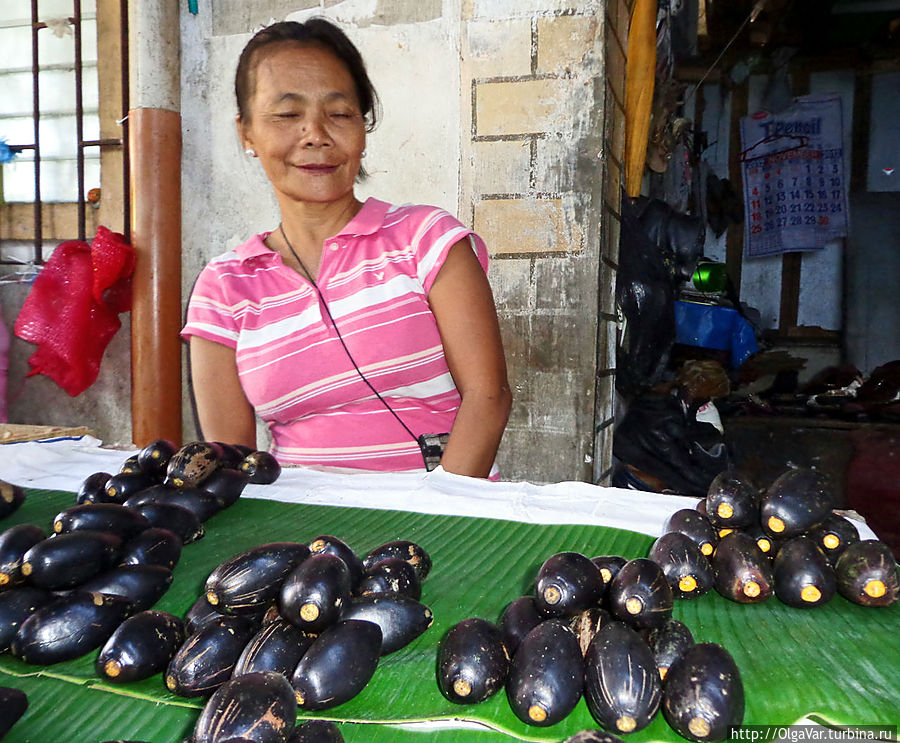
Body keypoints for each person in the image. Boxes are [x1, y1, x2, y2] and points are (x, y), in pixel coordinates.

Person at [182, 18, 511, 479]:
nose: (315, 134)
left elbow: (489, 396)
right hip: (304, 530)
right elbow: (232, 463)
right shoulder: (224, 287)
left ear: (362, 127)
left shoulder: (427, 240)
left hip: (447, 518)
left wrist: (439, 517)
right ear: (247, 133)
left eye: (339, 113)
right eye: (287, 115)